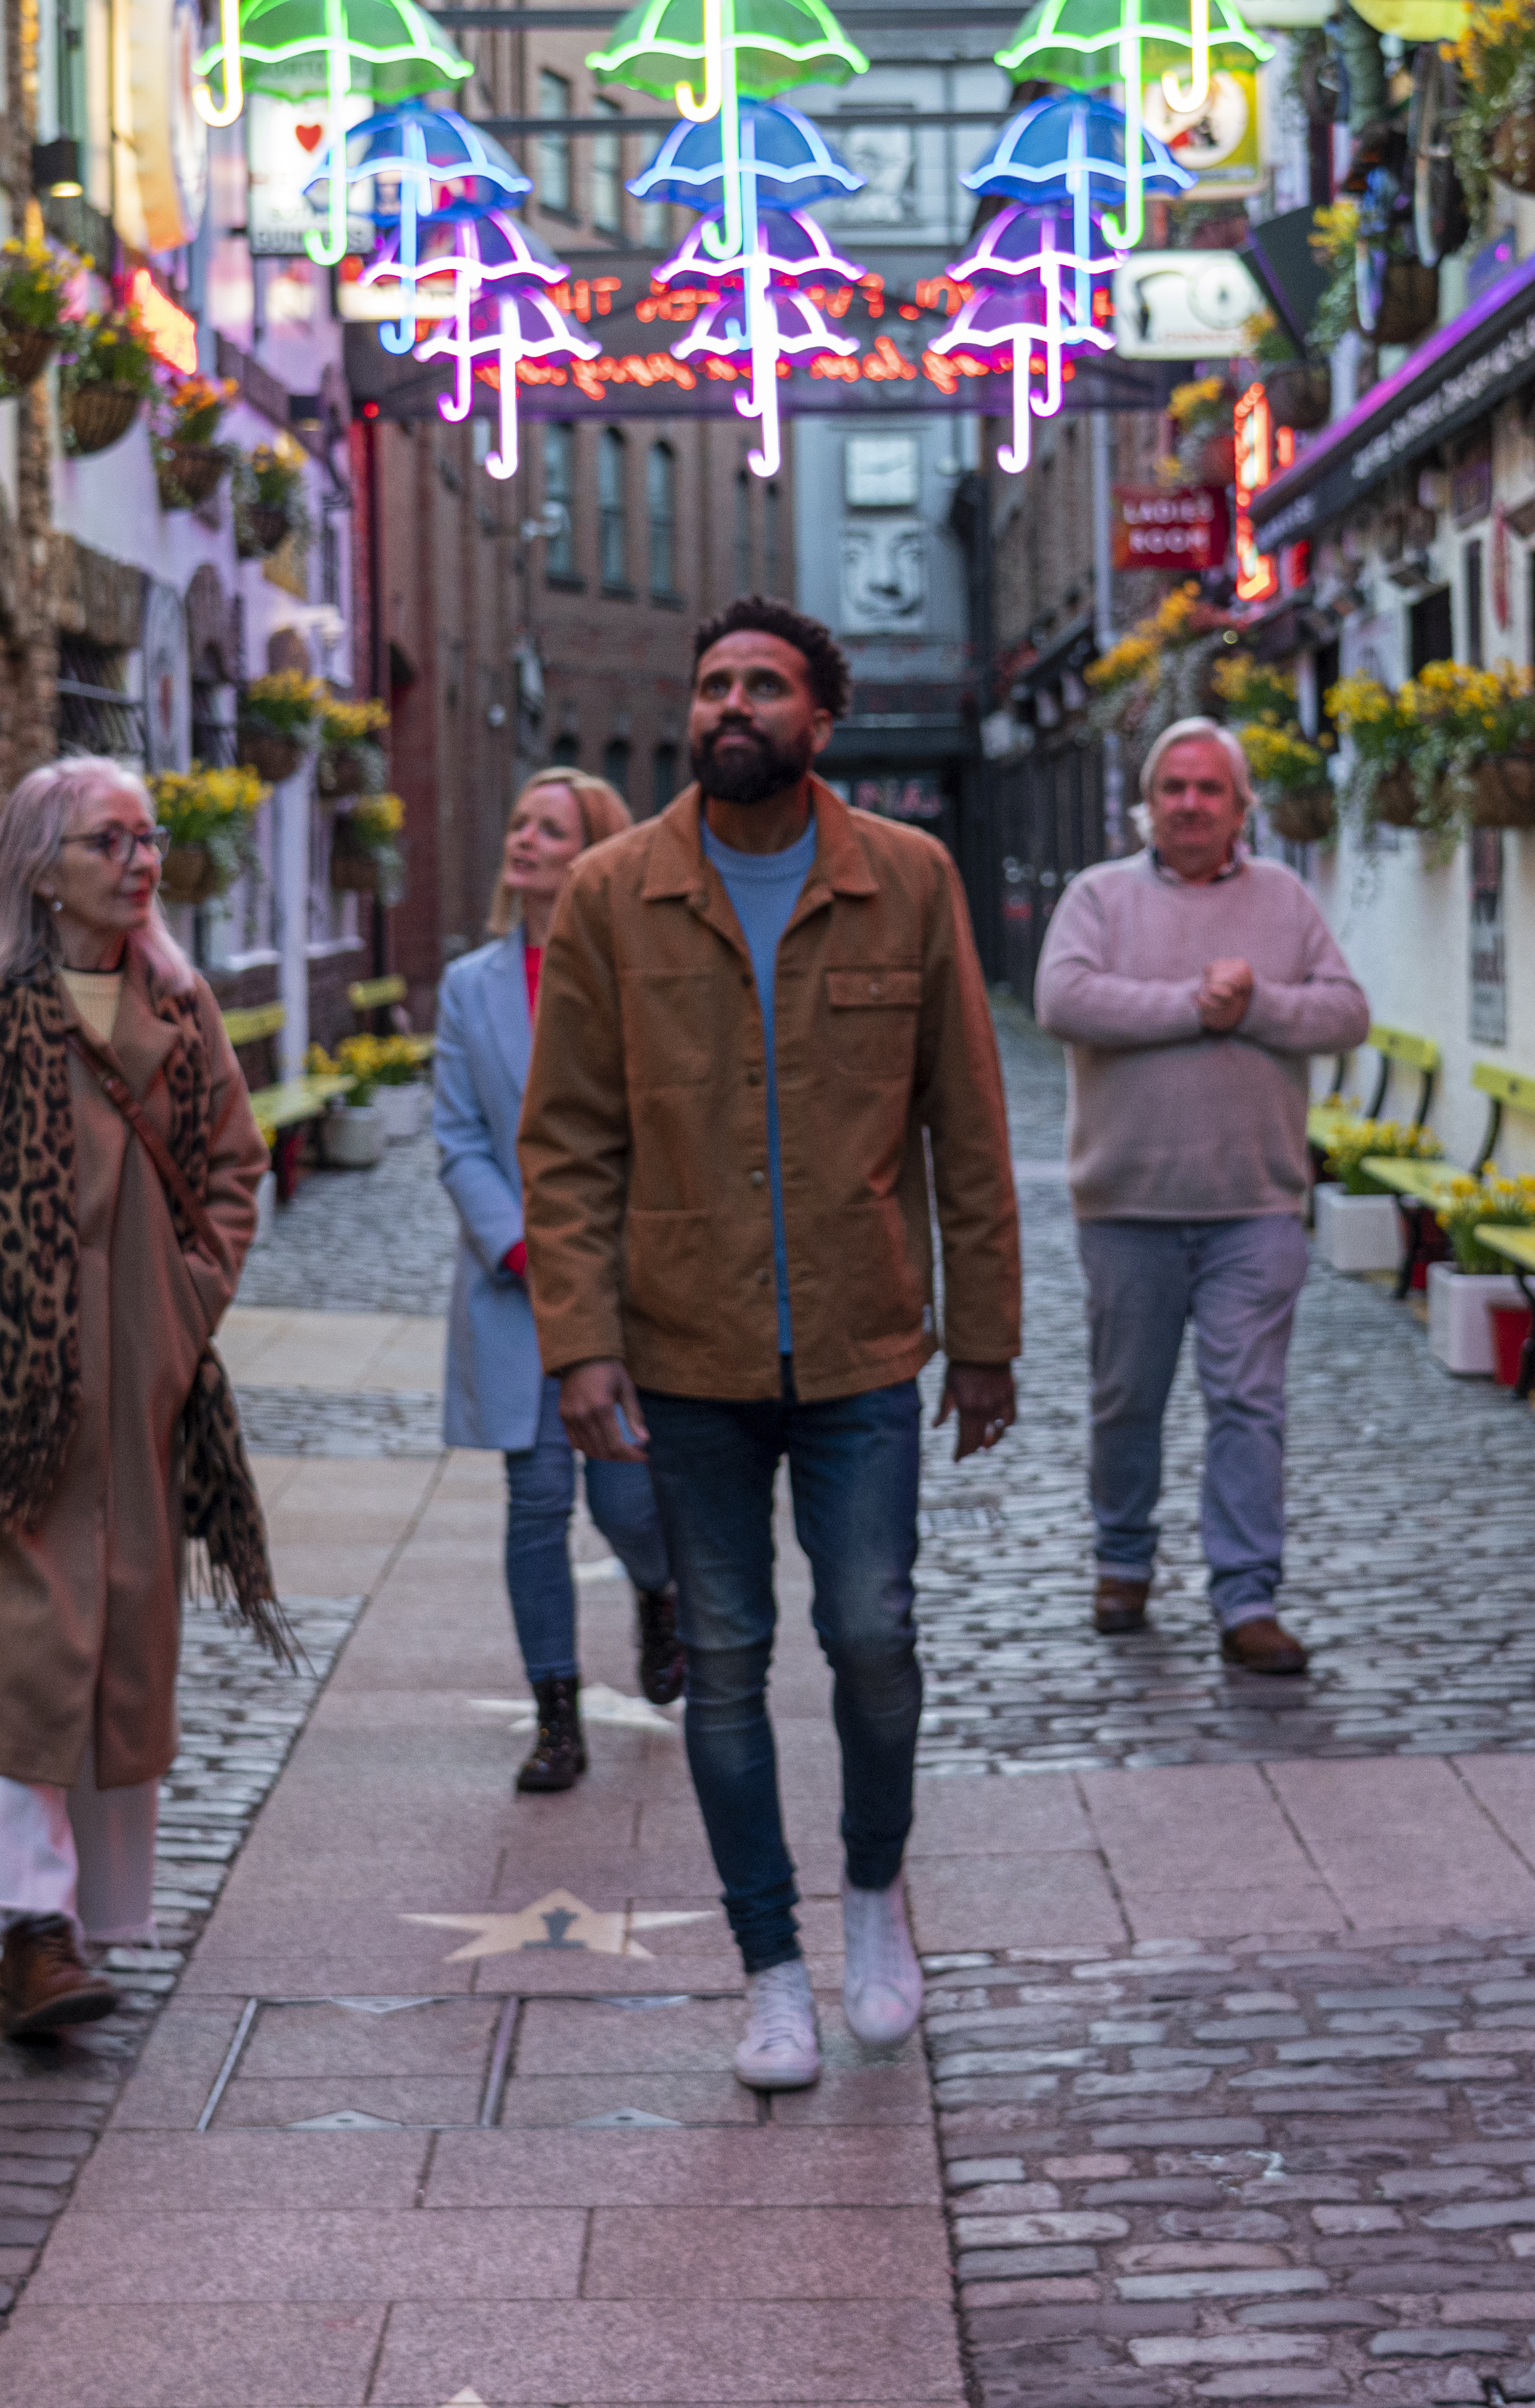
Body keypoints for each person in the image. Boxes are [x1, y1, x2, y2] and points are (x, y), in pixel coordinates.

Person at [520, 598, 1023, 2095]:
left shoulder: (912, 883)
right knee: (723, 1667)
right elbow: (569, 1146)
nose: (731, 704)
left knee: (873, 1634)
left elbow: (971, 1130)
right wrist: (579, 1346)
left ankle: (874, 1899)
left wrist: (982, 1339)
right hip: (688, 1351)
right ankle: (772, 1970)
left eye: (765, 686)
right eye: (714, 685)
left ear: (823, 719)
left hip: (866, 1346)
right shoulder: (612, 894)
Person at [0, 755, 277, 2041]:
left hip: (136, 1400)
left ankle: (76, 1921)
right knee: (24, 1660)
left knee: (110, 1662)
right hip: (4, 1411)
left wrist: (183, 1307)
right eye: (111, 841)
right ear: (44, 866)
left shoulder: (181, 1005)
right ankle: (33, 1930)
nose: (141, 860)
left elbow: (232, 1172)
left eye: (147, 838)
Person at [1031, 716, 1370, 1676]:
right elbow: (1064, 1001)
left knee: (1248, 1404)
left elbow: (1346, 1012)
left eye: (1209, 789)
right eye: (1173, 787)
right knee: (1126, 1400)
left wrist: (1257, 1002)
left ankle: (1246, 1598)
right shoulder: (1097, 898)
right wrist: (1196, 1004)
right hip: (1126, 1208)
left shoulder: (1284, 899)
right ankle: (1122, 1561)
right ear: (1148, 803)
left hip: (1254, 1208)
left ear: (1240, 806)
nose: (1189, 803)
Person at [434, 766, 680, 1793]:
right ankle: (556, 1716)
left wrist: (602, 1252)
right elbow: (457, 1139)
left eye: (552, 828)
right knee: (534, 1504)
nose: (524, 840)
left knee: (626, 1502)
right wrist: (523, 1244)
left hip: (624, 1293)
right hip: (514, 1289)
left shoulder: (644, 973)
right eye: (521, 822)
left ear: (594, 854)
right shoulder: (469, 985)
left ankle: (660, 1593)